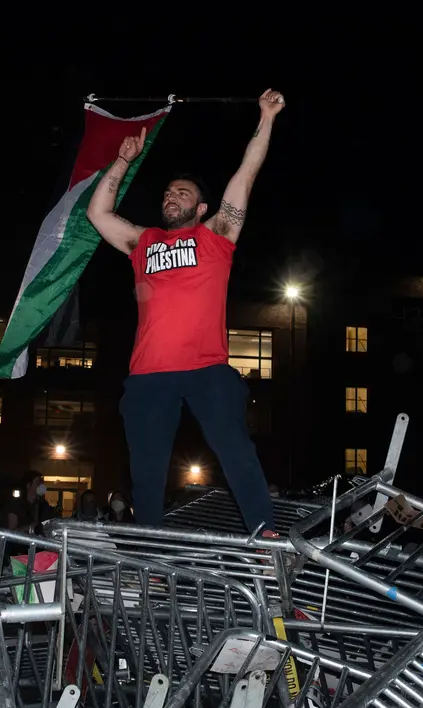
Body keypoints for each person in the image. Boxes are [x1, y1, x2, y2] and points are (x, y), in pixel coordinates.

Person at [87, 88, 286, 534]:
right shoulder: (144, 241)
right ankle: (153, 552)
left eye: (182, 193)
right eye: (168, 192)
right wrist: (123, 161)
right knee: (147, 469)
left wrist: (266, 117)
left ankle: (264, 529)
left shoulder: (217, 234)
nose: (171, 196)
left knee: (234, 445)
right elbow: (98, 214)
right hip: (148, 374)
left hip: (206, 367)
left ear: (200, 208)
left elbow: (246, 174)